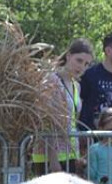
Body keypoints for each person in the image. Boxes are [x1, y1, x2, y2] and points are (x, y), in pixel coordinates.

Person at [32, 38, 93, 176]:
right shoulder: (51, 80)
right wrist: (53, 160)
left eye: (86, 64)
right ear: (68, 56)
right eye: (79, 60)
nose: (82, 67)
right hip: (49, 156)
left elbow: (73, 120)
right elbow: (45, 120)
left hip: (70, 153)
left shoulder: (76, 85)